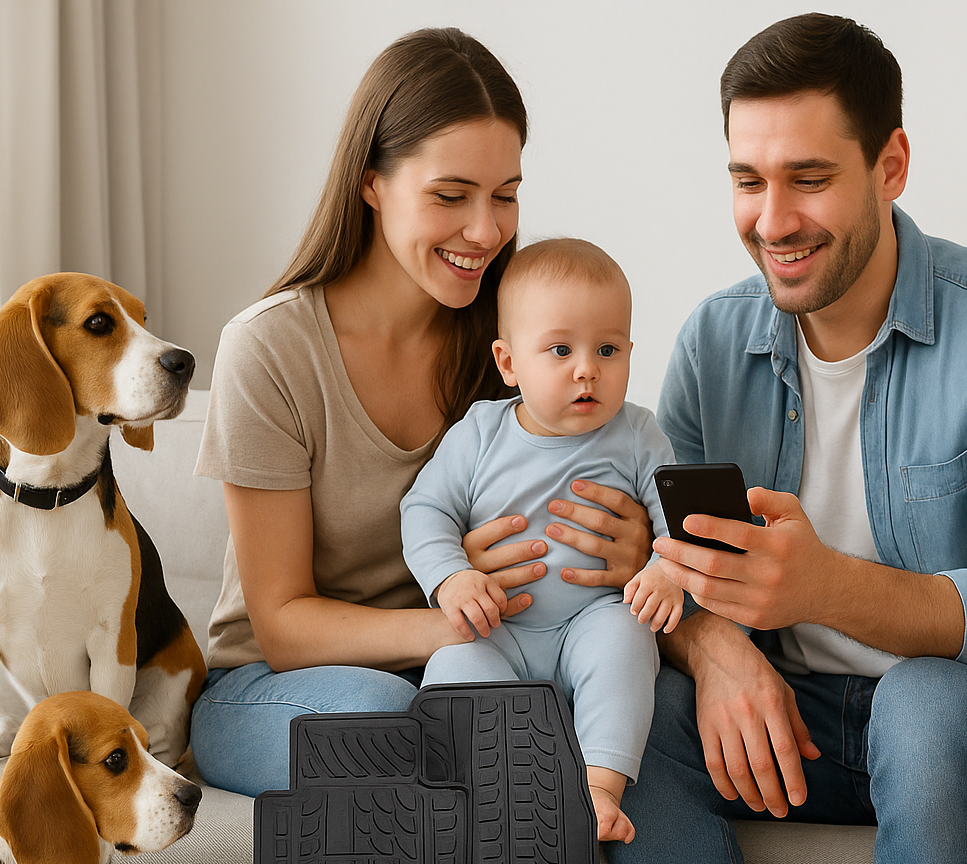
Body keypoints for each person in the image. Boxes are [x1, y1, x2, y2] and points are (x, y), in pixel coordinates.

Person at [611, 14, 967, 864]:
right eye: (748, 181)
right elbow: (662, 568)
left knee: (921, 706)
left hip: (952, 713)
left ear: (891, 166)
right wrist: (715, 645)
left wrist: (823, 587)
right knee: (617, 718)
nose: (773, 220)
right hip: (776, 708)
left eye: (808, 178)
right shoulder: (711, 341)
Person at [190, 29, 653, 798]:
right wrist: (454, 624)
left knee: (635, 705)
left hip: (480, 658)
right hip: (277, 685)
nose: (486, 230)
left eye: (505, 195)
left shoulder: (513, 341)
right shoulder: (270, 350)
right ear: (371, 182)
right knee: (401, 722)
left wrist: (630, 552)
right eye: (450, 196)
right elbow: (281, 621)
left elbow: (601, 456)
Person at [402, 238, 684, 842]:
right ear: (508, 363)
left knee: (627, 637)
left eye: (608, 350)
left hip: (590, 620)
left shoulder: (637, 433)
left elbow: (676, 519)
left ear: (632, 353)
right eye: (561, 350)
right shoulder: (479, 432)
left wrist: (666, 569)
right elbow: (425, 510)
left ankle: (597, 791)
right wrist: (451, 576)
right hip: (498, 630)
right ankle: (495, 795)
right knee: (452, 669)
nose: (588, 369)